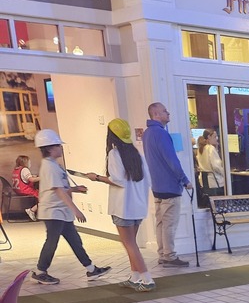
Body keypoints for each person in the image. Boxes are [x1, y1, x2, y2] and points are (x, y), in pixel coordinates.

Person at [31, 129, 111, 286]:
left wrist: (75, 189)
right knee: (52, 242)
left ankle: (91, 269)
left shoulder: (54, 165)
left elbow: (59, 187)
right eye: (58, 146)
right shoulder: (49, 167)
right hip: (53, 212)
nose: (61, 148)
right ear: (49, 148)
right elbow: (58, 190)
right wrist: (76, 209)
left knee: (75, 240)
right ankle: (41, 271)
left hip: (61, 211)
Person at [85, 119, 155, 292]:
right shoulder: (137, 154)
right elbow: (148, 180)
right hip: (138, 206)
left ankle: (147, 279)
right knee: (132, 244)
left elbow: (117, 180)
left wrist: (97, 177)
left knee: (129, 244)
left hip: (123, 207)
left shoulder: (114, 154)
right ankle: (135, 277)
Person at [141, 101, 193, 267]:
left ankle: (163, 252)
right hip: (170, 186)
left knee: (161, 222)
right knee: (169, 223)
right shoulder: (161, 134)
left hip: (157, 186)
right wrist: (185, 180)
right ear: (156, 114)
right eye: (164, 111)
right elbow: (172, 160)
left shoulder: (147, 133)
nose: (168, 113)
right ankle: (169, 255)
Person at [197, 129, 225, 195]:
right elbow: (216, 166)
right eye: (215, 137)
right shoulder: (211, 148)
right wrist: (224, 174)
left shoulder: (200, 149)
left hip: (204, 180)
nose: (217, 139)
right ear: (209, 137)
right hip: (213, 180)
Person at [12, 154, 39, 220]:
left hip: (17, 190)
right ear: (25, 162)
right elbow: (31, 180)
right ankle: (32, 210)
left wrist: (32, 176)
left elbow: (22, 178)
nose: (30, 163)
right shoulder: (25, 169)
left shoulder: (15, 170)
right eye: (29, 162)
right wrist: (42, 177)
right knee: (44, 197)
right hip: (25, 190)